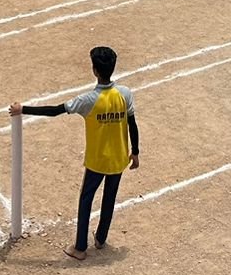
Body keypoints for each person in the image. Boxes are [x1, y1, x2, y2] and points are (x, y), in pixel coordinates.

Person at [10, 46, 139, 261]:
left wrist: (23, 109)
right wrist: (135, 152)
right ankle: (100, 239)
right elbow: (132, 124)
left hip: (97, 161)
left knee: (86, 199)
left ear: (94, 70)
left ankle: (80, 247)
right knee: (109, 198)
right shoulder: (125, 93)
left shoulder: (88, 100)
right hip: (118, 158)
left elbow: (55, 111)